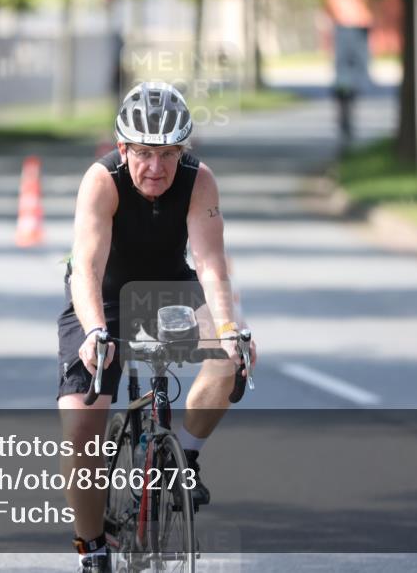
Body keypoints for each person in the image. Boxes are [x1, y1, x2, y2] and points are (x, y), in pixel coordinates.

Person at [57, 81, 257, 572]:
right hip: (103, 294)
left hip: (170, 289)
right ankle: (92, 548)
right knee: (82, 423)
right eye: (144, 152)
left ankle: (181, 459)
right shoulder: (101, 180)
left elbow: (210, 263)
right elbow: (86, 267)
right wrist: (94, 331)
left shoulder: (198, 180)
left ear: (182, 151)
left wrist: (228, 328)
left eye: (168, 154)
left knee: (231, 357)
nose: (156, 167)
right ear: (122, 147)